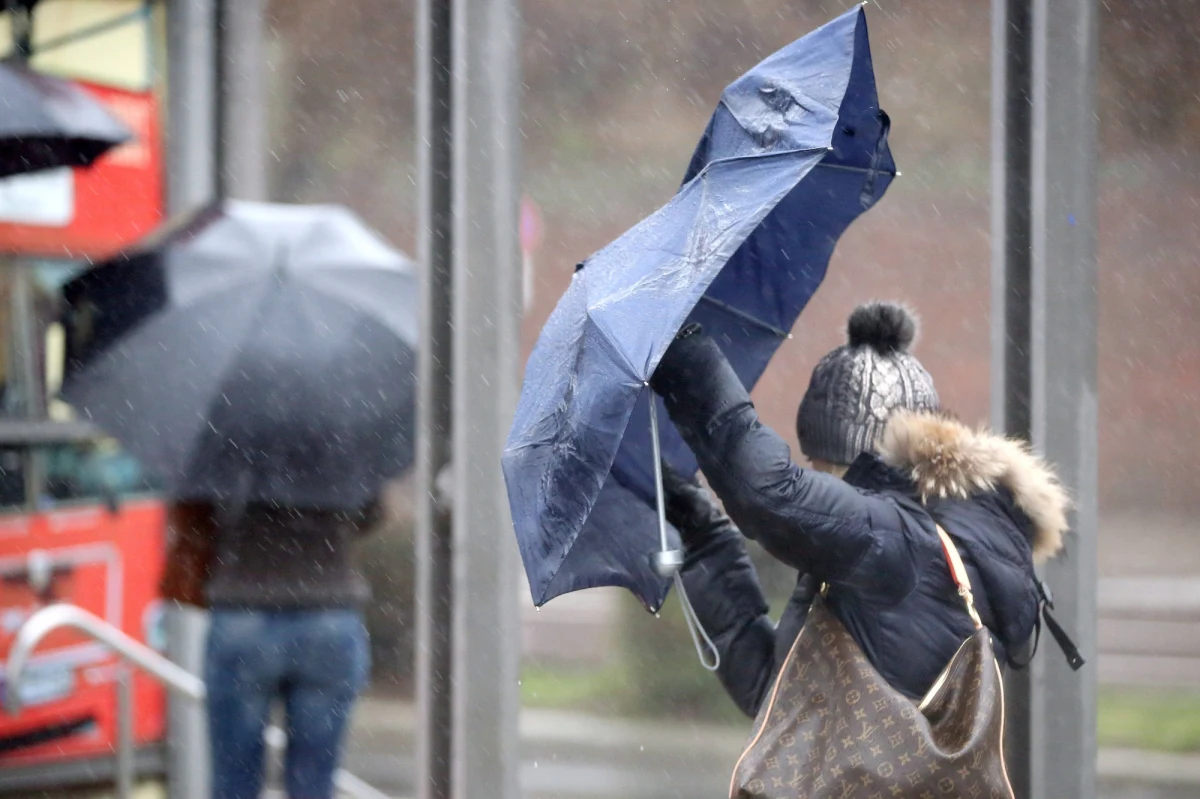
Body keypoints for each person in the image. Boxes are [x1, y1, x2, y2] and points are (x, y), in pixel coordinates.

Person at [649, 301, 1070, 716]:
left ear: (860, 460)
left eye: (817, 463)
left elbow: (768, 492)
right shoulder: (902, 549)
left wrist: (684, 352)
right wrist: (701, 535)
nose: (812, 473)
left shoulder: (897, 540)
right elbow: (778, 703)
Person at [161, 498, 378, 799]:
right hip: (327, 611)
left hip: (243, 611)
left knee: (234, 775)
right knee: (315, 777)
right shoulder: (341, 456)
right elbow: (369, 513)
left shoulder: (228, 453)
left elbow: (197, 514)